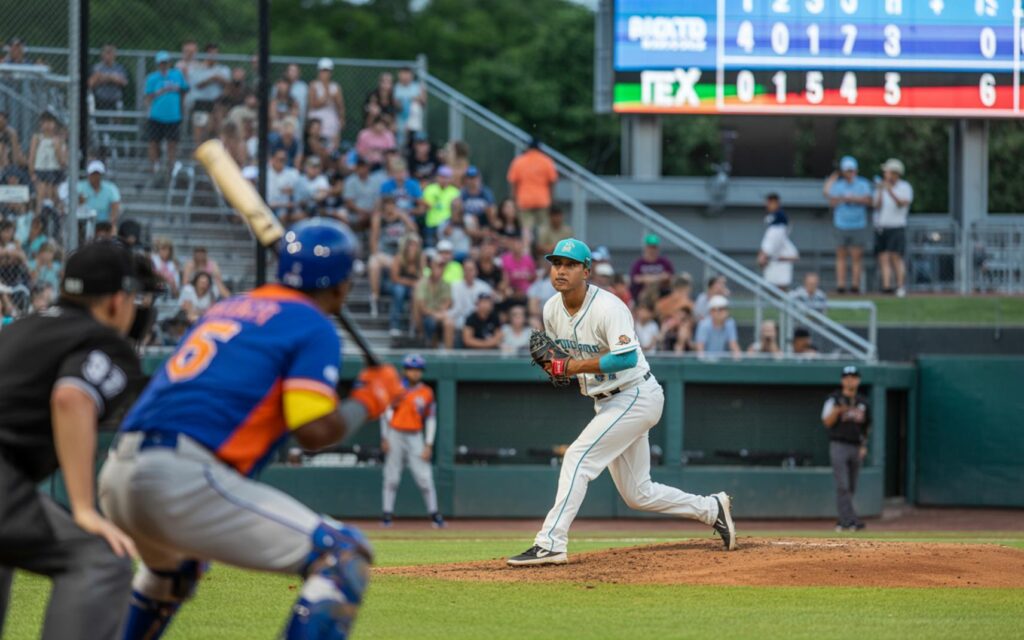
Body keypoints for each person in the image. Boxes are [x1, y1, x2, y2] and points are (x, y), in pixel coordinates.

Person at [97, 219, 405, 639]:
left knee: (173, 571)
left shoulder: (230, 306)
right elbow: (312, 430)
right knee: (343, 555)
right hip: (182, 475)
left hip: (119, 472)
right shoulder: (311, 323)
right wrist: (371, 399)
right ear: (341, 284)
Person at [508, 238, 735, 566]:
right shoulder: (551, 310)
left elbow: (625, 359)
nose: (561, 270)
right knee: (638, 493)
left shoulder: (608, 307)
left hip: (636, 394)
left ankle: (550, 543)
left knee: (577, 458)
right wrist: (556, 368)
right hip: (606, 401)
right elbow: (561, 362)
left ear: (586, 271)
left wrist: (571, 367)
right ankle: (711, 508)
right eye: (556, 263)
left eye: (570, 265)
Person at [0, 241, 161, 640]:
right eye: (133, 297)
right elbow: (72, 397)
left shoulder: (25, 326)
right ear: (115, 301)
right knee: (100, 559)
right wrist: (84, 509)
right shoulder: (105, 341)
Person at [380, 353, 444, 528]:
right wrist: (384, 436)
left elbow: (431, 418)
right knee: (391, 477)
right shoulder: (396, 389)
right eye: (411, 369)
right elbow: (385, 413)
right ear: (405, 370)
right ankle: (386, 515)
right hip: (395, 433)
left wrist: (429, 443)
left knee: (424, 477)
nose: (414, 373)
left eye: (417, 370)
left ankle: (434, 514)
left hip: (416, 435)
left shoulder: (426, 392)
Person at [821, 366, 871, 532]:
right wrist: (837, 410)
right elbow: (826, 421)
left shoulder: (863, 402)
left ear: (858, 380)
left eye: (854, 377)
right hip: (839, 445)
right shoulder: (834, 399)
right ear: (843, 380)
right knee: (843, 485)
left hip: (856, 446)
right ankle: (849, 520)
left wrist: (864, 445)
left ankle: (844, 521)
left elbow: (867, 427)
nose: (850, 380)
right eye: (847, 377)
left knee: (851, 486)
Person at [823, 156, 873, 294]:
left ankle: (855, 285)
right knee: (841, 256)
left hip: (858, 224)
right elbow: (827, 193)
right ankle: (841, 285)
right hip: (841, 224)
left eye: (852, 171)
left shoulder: (862, 184)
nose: (850, 173)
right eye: (847, 171)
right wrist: (835, 175)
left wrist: (852, 199)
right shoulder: (838, 185)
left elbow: (869, 200)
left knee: (857, 257)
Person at [368, 196, 416, 318]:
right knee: (373, 263)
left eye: (392, 204)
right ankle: (375, 297)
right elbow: (374, 239)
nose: (390, 207)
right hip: (386, 256)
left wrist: (404, 217)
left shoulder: (401, 217)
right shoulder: (379, 218)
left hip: (401, 256)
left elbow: (414, 231)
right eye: (387, 204)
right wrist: (375, 254)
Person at [874, 158, 913, 297]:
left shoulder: (904, 187)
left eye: (888, 172)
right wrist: (880, 191)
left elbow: (902, 203)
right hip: (882, 227)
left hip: (897, 227)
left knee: (896, 257)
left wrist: (890, 191)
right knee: (883, 258)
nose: (885, 174)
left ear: (895, 173)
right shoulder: (882, 188)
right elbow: (876, 206)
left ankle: (900, 287)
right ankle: (886, 286)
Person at [144, 51, 189, 175]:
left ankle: (171, 166)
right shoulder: (152, 78)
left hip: (173, 115)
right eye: (161, 63)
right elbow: (148, 95)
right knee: (154, 141)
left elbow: (184, 89)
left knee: (172, 142)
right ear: (158, 64)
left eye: (166, 62)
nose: (164, 65)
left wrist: (181, 107)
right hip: (156, 115)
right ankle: (155, 166)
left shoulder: (177, 75)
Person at [506, 138, 558, 241]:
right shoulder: (546, 161)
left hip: (524, 200)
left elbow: (513, 182)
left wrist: (513, 199)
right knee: (543, 226)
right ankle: (541, 251)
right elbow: (553, 181)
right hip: (542, 200)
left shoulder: (519, 161)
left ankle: (527, 251)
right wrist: (552, 198)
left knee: (526, 228)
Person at [187, 44, 230, 143]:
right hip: (201, 103)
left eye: (215, 53)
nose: (213, 56)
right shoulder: (197, 68)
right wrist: (213, 78)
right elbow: (197, 84)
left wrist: (218, 79)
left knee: (217, 128)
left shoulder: (223, 69)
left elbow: (228, 84)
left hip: (216, 102)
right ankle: (199, 150)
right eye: (211, 53)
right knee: (200, 129)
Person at [757, 193, 798, 291]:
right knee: (772, 287)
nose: (767, 206)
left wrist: (764, 254)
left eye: (769, 203)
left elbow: (775, 236)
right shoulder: (773, 217)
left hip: (777, 258)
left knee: (780, 287)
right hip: (774, 258)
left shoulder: (779, 218)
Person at [28, 111, 66, 213]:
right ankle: (39, 216)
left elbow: (62, 162)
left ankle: (57, 216)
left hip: (55, 171)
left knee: (54, 194)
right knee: (41, 192)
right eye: (45, 122)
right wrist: (32, 173)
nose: (48, 125)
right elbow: (32, 157)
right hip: (41, 170)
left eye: (50, 122)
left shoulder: (59, 140)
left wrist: (57, 148)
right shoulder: (37, 138)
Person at [448, 259, 492, 344]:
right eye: (466, 270)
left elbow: (488, 308)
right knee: (450, 323)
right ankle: (449, 354)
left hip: (478, 321)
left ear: (476, 271)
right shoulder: (454, 286)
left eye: (471, 270)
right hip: (458, 319)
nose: (468, 272)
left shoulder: (484, 287)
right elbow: (452, 307)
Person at [412, 254, 452, 348]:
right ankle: (430, 346)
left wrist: (440, 313)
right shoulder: (421, 284)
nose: (439, 269)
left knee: (449, 322)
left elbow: (446, 303)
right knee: (430, 322)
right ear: (431, 267)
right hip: (425, 317)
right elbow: (422, 308)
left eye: (442, 267)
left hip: (439, 315)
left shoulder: (446, 284)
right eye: (437, 266)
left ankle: (448, 354)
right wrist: (435, 314)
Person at [389, 235, 424, 337]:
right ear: (406, 246)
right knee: (399, 291)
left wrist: (415, 275)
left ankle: (414, 325)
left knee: (416, 292)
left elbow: (422, 278)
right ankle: (395, 325)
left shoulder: (421, 258)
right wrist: (411, 282)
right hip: (398, 285)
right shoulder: (399, 257)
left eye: (415, 245)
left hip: (412, 286)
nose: (413, 248)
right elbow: (395, 278)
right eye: (411, 245)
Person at [307, 58, 345, 152]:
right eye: (323, 71)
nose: (324, 74)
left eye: (327, 71)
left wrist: (342, 118)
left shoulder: (335, 86)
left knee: (333, 141)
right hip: (317, 117)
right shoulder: (314, 85)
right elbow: (312, 104)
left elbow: (340, 106)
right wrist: (326, 98)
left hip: (331, 118)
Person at [343, 156, 384, 231]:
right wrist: (361, 211)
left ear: (368, 167)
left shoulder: (375, 181)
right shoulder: (350, 181)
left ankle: (374, 242)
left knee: (377, 217)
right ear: (356, 168)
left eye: (364, 166)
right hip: (356, 213)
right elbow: (349, 202)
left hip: (372, 212)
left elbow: (379, 199)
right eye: (360, 167)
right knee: (345, 216)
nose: (362, 169)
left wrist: (374, 210)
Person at [423, 165, 461, 246]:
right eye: (442, 177)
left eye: (447, 177)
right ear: (437, 177)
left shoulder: (455, 192)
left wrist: (451, 225)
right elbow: (427, 205)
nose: (444, 180)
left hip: (447, 226)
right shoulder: (430, 189)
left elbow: (457, 211)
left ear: (450, 179)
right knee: (431, 251)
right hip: (432, 224)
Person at [629, 234, 674, 301]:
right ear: (646, 247)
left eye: (654, 247)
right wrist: (659, 278)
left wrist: (647, 278)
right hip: (642, 296)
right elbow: (636, 279)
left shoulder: (664, 262)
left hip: (662, 294)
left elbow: (670, 277)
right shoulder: (639, 263)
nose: (652, 250)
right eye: (650, 247)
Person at [77, 160, 121, 226]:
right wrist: (80, 201)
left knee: (113, 227)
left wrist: (110, 221)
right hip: (84, 221)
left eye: (98, 174)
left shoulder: (111, 188)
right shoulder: (79, 186)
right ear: (89, 175)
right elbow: (75, 204)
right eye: (93, 174)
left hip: (104, 222)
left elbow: (115, 206)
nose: (95, 177)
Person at [88, 44, 129, 112]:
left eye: (110, 53)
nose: (108, 56)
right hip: (100, 100)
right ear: (102, 55)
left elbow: (124, 82)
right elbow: (91, 83)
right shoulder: (96, 67)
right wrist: (112, 78)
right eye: (106, 53)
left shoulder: (119, 68)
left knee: (118, 116)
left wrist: (103, 77)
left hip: (115, 99)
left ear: (114, 55)